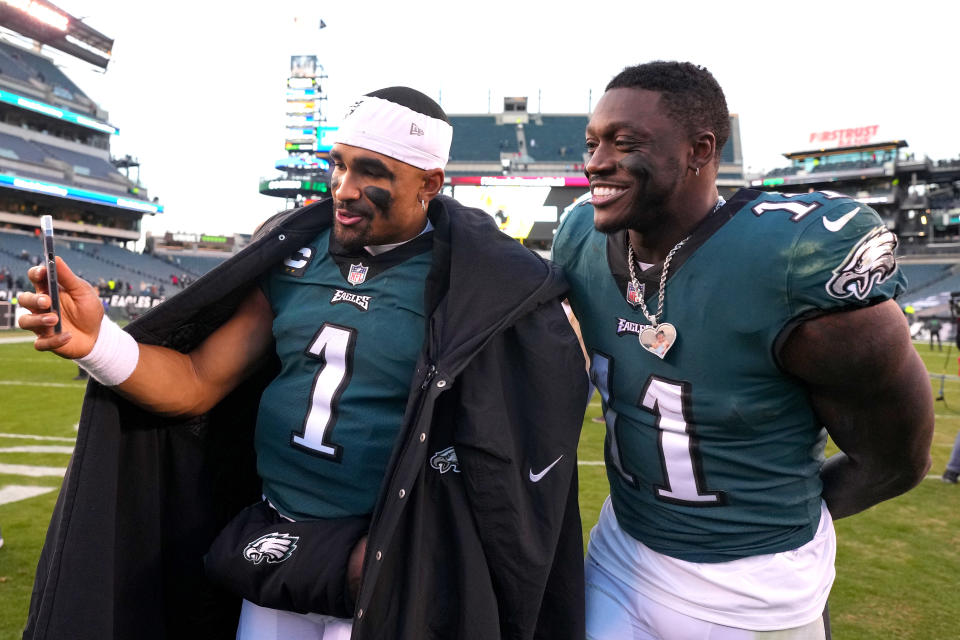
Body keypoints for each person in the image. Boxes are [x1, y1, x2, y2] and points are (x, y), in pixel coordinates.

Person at [19, 87, 587, 640]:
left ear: (430, 184)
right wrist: (96, 342)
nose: (344, 187)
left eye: (372, 172)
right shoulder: (295, 257)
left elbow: (508, 445)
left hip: (387, 561)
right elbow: (196, 381)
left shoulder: (476, 283)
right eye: (338, 166)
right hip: (277, 539)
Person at [551, 61, 934, 639]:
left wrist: (771, 526)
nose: (596, 162)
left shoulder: (788, 263)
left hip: (754, 591)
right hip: (621, 552)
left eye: (624, 142)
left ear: (700, 149)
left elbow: (895, 462)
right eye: (592, 142)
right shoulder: (580, 236)